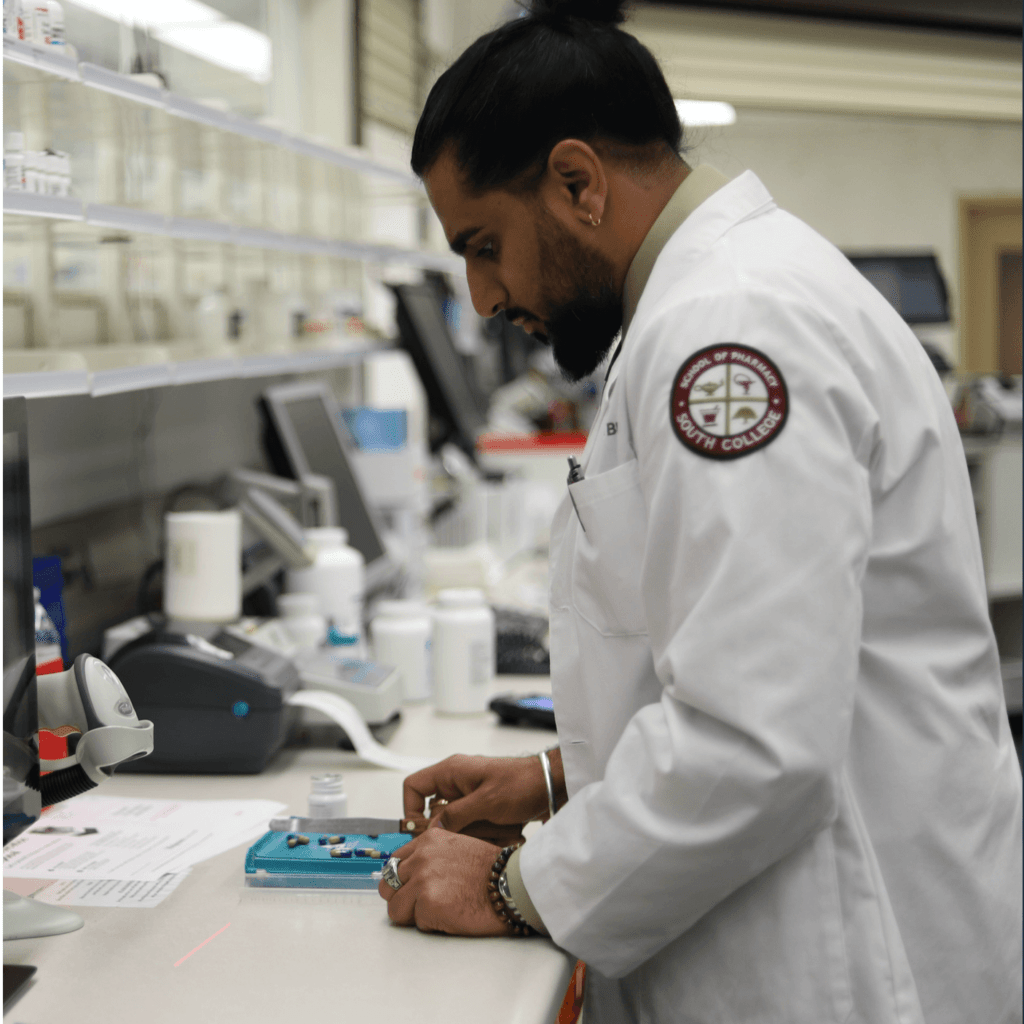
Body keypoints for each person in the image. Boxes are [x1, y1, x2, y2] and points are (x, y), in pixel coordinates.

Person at [376, 2, 1024, 1021]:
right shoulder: (716, 301)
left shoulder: (731, 328)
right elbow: (763, 661)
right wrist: (559, 775)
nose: (481, 294)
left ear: (577, 182)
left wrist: (512, 886)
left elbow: (752, 738)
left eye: (484, 243)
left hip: (842, 959)